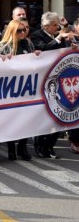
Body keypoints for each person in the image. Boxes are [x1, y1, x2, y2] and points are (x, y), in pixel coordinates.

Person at [31, 12, 78, 158]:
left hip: (58, 79)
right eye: (54, 25)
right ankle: (40, 146)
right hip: (43, 81)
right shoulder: (36, 35)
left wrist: (72, 46)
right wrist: (59, 38)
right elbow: (44, 50)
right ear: (46, 25)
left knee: (57, 115)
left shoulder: (57, 34)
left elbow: (62, 53)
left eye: (57, 25)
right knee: (44, 115)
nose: (57, 27)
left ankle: (50, 146)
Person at [0, 19, 38, 161]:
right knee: (12, 119)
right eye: (19, 31)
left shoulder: (28, 43)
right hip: (10, 88)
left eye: (24, 30)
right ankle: (10, 147)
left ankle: (22, 146)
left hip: (26, 86)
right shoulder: (4, 45)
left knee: (26, 119)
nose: (23, 33)